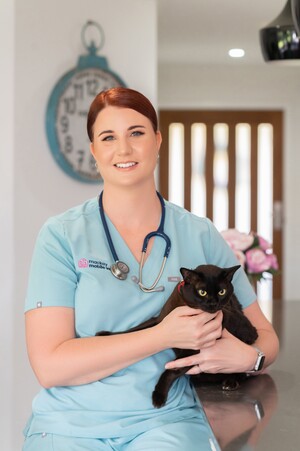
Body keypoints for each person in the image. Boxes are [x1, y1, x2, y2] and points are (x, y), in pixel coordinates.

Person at [23, 87, 279, 451]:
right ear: (94, 151)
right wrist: (162, 335)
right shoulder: (61, 235)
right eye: (108, 137)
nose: (123, 149)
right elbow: (50, 365)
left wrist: (250, 357)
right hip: (69, 425)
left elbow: (266, 338)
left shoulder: (198, 233)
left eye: (137, 133)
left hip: (166, 423)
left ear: (157, 140)